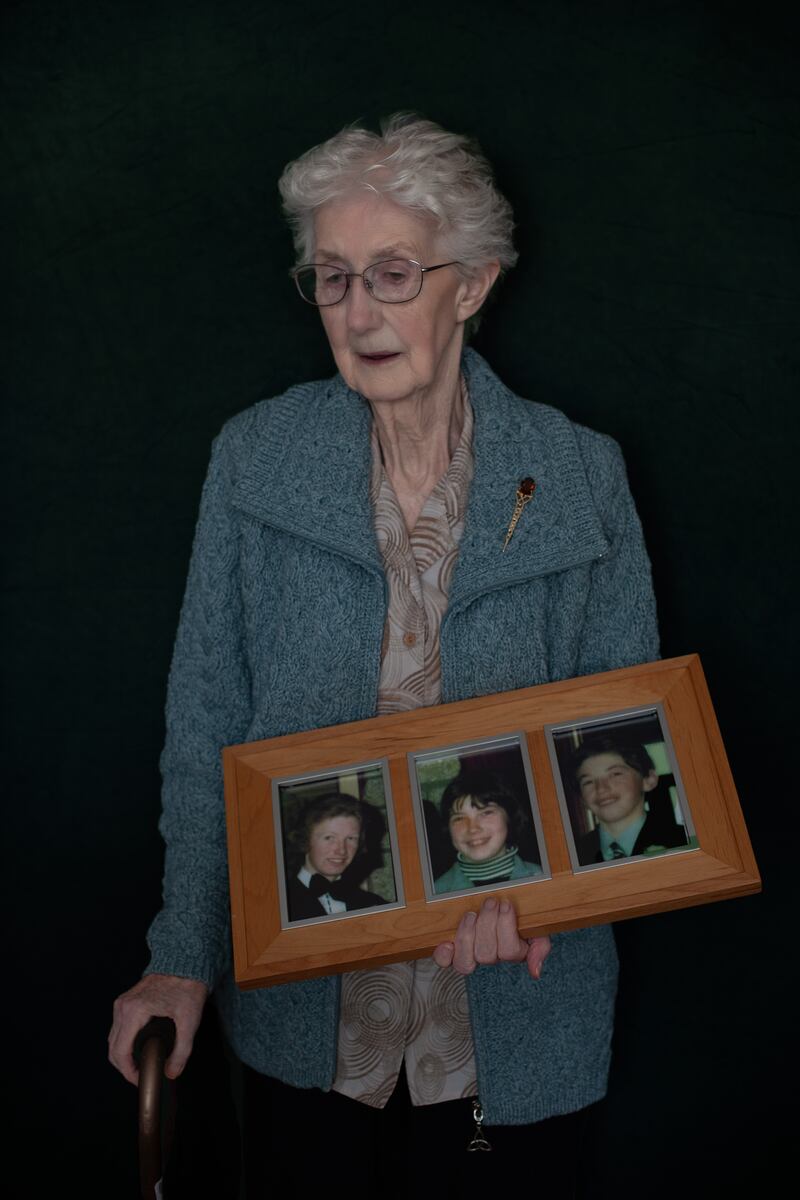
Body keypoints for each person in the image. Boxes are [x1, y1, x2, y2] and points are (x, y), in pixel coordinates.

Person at [108, 114, 660, 1192]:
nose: (357, 312)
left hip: (516, 1017)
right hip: (305, 1021)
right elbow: (206, 726)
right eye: (331, 277)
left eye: (393, 274)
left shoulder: (581, 474)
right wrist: (181, 952)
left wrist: (540, 902)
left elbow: (622, 740)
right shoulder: (255, 457)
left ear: (473, 283)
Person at [572, 734, 690, 866]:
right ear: (581, 797)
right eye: (588, 782)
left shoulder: (684, 841)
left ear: (648, 780)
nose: (601, 789)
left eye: (615, 774)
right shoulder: (572, 855)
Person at [433, 767, 542, 893]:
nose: (473, 828)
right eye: (459, 818)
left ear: (509, 816)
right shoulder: (437, 891)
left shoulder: (543, 876)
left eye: (486, 812)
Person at [284, 792, 387, 920]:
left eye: (350, 838)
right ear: (305, 839)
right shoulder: (279, 905)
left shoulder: (374, 905)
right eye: (329, 838)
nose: (341, 850)